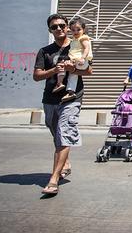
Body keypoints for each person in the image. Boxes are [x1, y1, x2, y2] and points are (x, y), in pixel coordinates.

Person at [33, 13, 92, 195]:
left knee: (65, 133)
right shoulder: (45, 51)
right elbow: (37, 76)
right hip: (50, 98)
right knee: (55, 132)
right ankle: (65, 162)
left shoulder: (77, 44)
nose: (58, 29)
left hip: (72, 98)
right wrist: (54, 70)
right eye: (54, 27)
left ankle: (53, 179)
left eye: (61, 25)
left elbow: (89, 71)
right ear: (50, 30)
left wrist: (72, 68)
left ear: (67, 27)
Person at [54, 17, 93, 102]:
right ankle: (71, 92)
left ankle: (59, 83)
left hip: (81, 61)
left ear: (84, 29)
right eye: (73, 30)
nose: (75, 32)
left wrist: (83, 58)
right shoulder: (74, 40)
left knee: (63, 65)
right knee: (73, 75)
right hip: (77, 62)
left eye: (78, 29)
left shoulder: (83, 38)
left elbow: (87, 48)